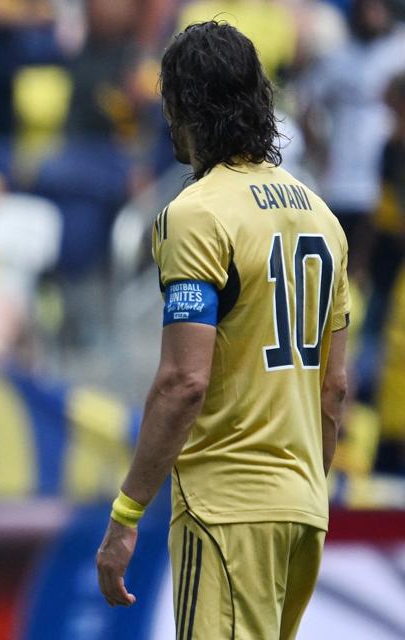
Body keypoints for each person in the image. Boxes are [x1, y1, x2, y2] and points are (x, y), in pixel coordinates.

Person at [95, 22, 350, 640]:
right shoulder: (323, 217)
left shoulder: (196, 214)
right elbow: (334, 390)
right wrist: (306, 491)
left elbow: (184, 381)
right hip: (302, 511)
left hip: (227, 508)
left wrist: (127, 512)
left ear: (182, 107)